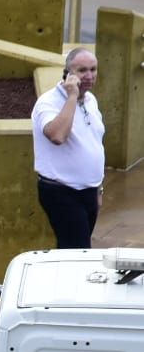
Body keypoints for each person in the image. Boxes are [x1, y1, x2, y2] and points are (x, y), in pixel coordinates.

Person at [31, 47, 106, 248]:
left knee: (72, 252)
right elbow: (57, 135)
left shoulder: (91, 100)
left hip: (88, 192)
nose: (89, 76)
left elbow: (94, 144)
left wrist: (98, 189)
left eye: (93, 69)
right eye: (82, 70)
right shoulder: (48, 102)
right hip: (61, 191)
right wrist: (72, 96)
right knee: (78, 252)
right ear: (68, 73)